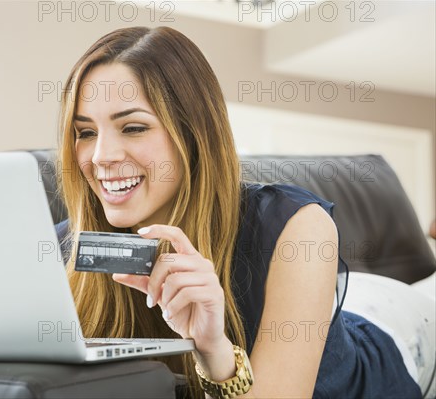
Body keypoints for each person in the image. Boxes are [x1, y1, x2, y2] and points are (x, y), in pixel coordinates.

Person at [53, 26, 435, 398]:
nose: (101, 156)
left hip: (400, 332)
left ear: (194, 133)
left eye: (133, 127)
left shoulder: (297, 226)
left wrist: (213, 350)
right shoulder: (65, 245)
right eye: (85, 132)